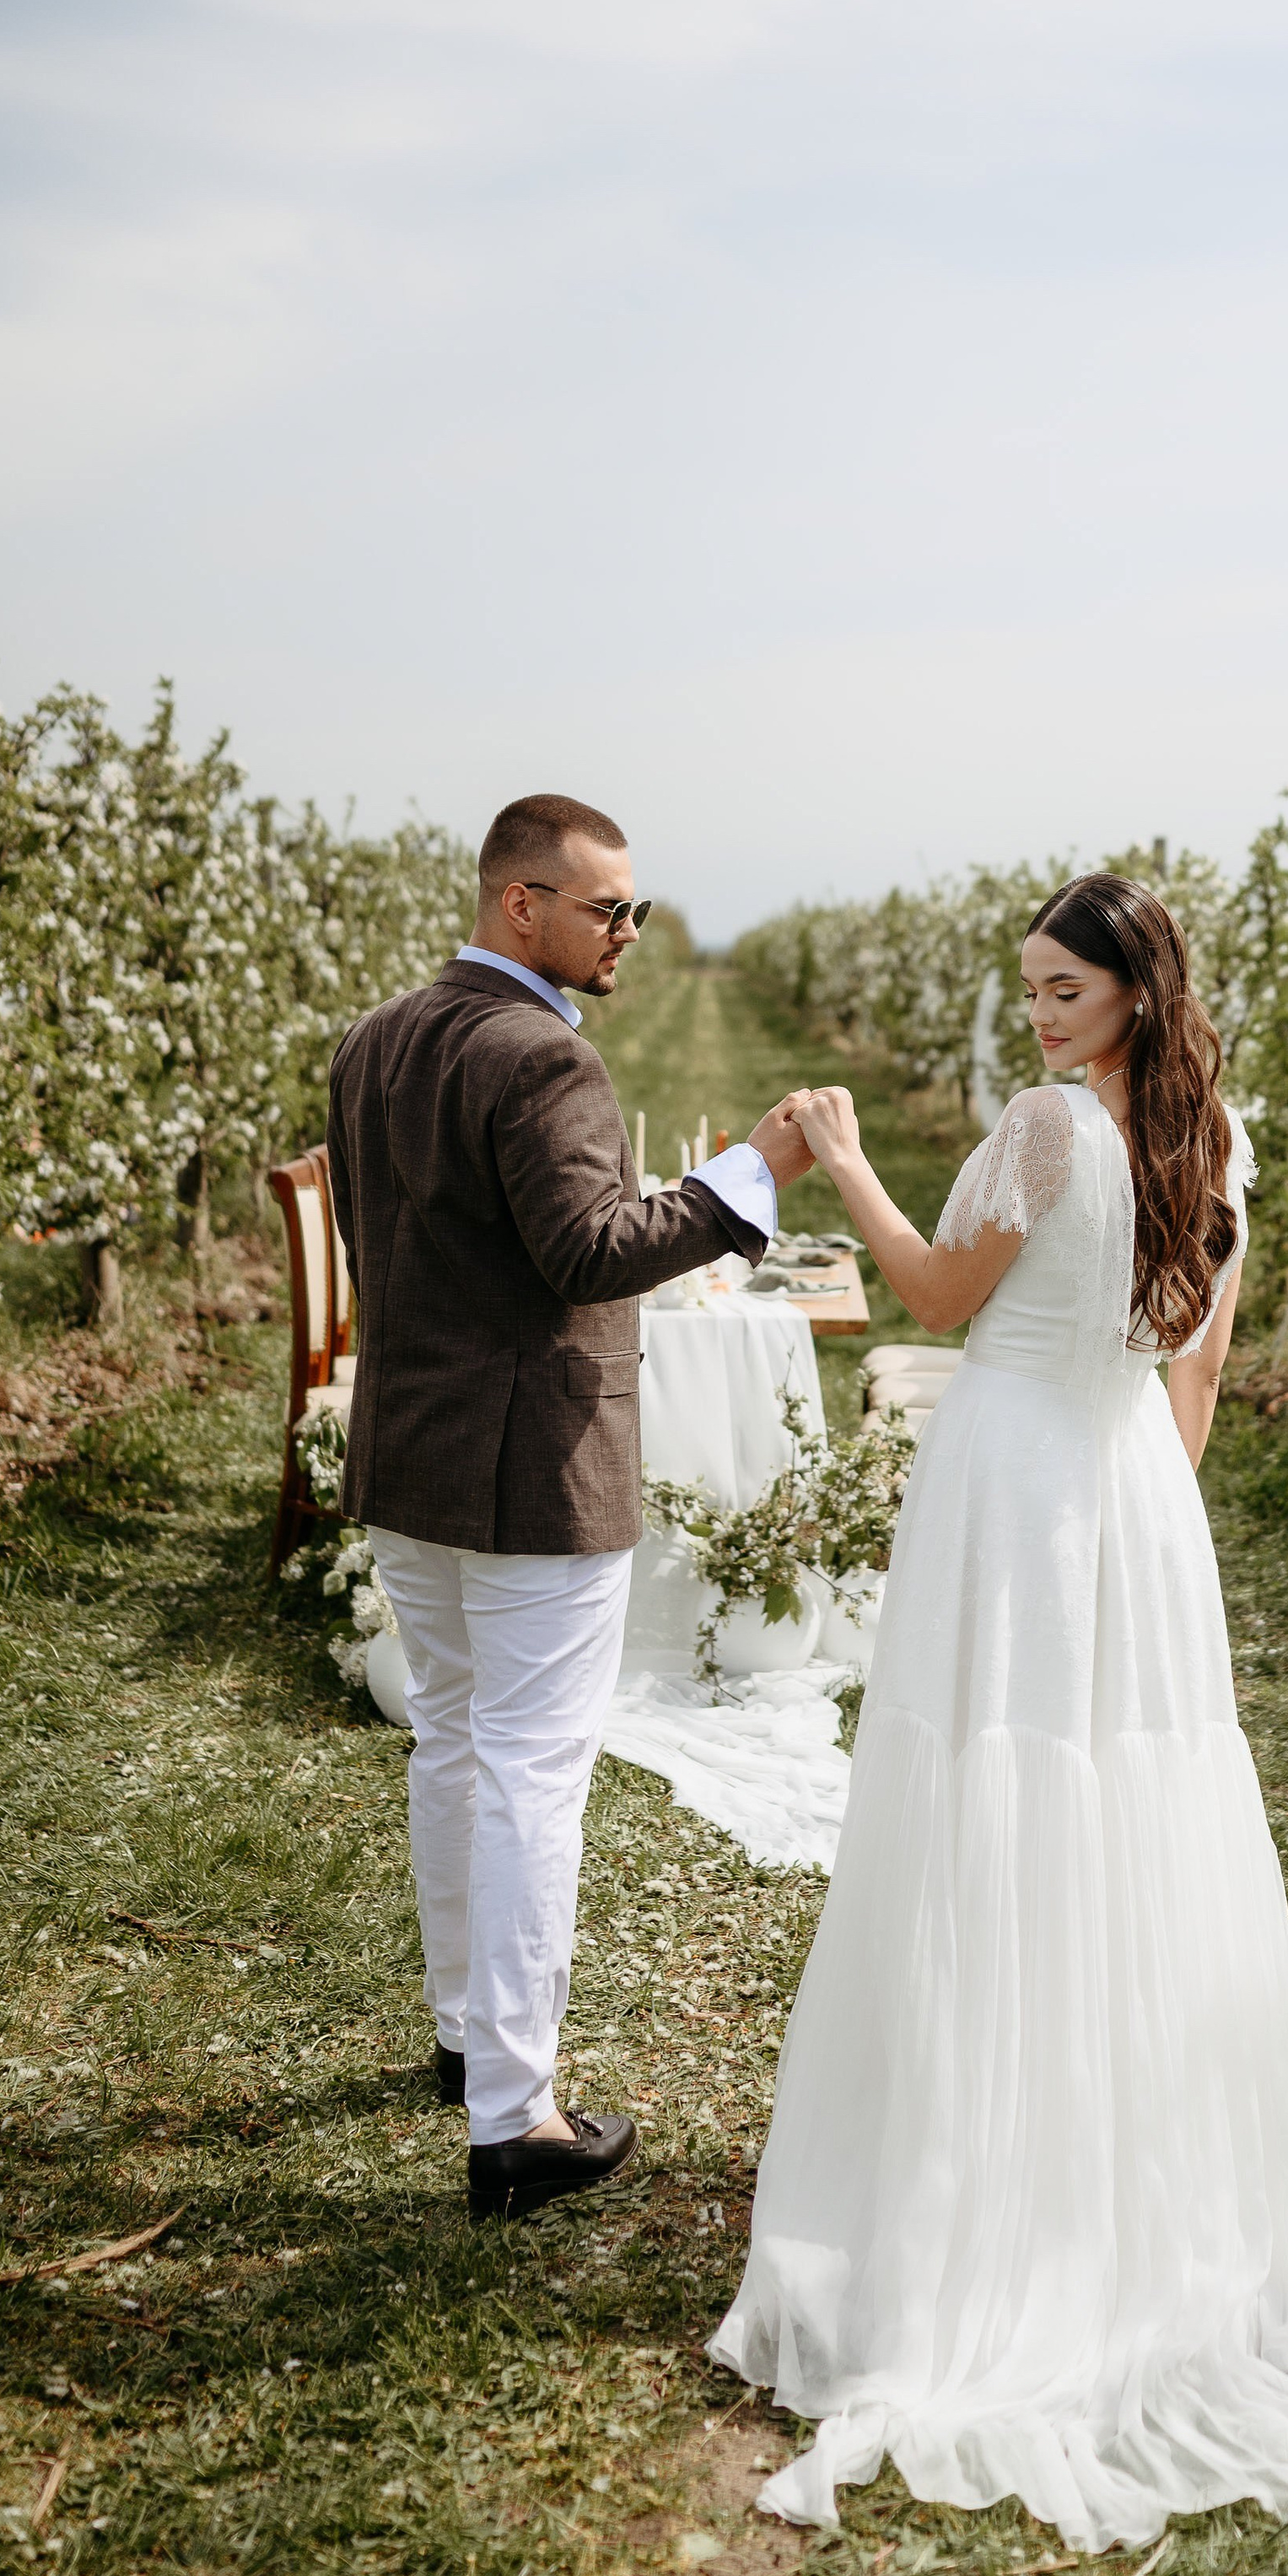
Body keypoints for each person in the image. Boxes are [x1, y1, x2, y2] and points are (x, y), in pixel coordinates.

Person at [711, 872, 1288, 2549]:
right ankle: (1100, 2161)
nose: (1042, 1015)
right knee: (1114, 1807)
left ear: (1129, 990)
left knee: (992, 1797)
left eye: (1064, 988)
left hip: (1019, 1485)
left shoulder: (1048, 1129)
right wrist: (1136, 1531)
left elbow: (925, 1300)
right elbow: (1188, 1382)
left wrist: (837, 1154)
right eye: (1031, 990)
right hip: (1129, 1495)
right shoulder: (1217, 1143)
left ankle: (981, 2192)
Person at [327, 792, 812, 2221]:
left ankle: (465, 2039)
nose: (628, 935)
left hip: (410, 1447)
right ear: (518, 904)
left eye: (636, 910)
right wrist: (751, 1176)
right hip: (532, 1462)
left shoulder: (373, 1041)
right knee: (533, 1770)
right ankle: (518, 2122)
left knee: (456, 1744)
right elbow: (590, 1252)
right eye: (608, 909)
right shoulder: (542, 1059)